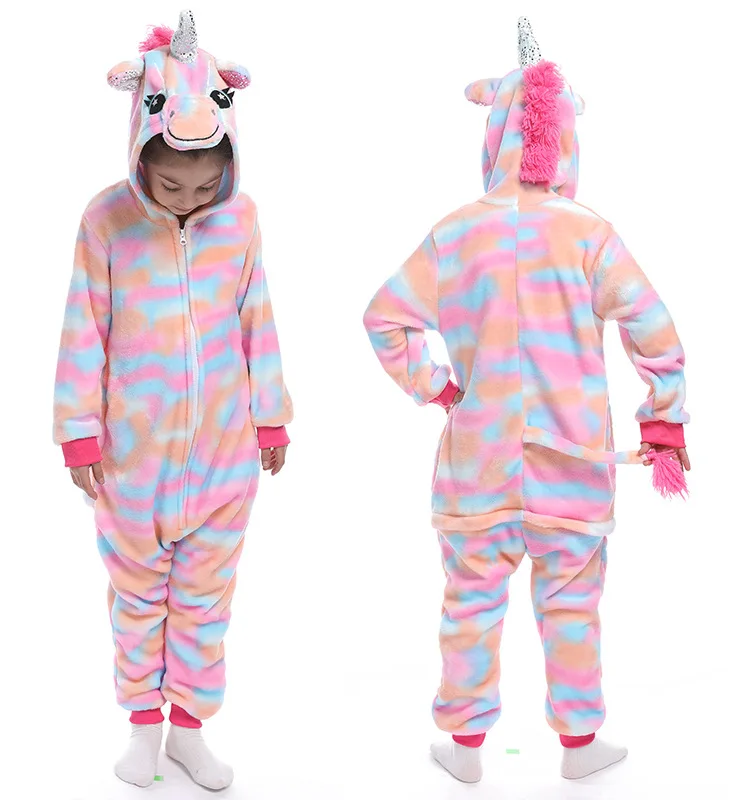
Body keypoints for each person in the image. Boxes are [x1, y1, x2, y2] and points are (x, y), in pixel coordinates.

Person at [362, 17, 689, 783]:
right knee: (572, 609)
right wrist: (663, 418)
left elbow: (385, 318)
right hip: (571, 466)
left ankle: (464, 749)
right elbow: (653, 327)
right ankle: (580, 746)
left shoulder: (455, 235)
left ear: (494, 134)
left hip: (476, 468)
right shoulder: (588, 234)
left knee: (470, 607)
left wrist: (438, 386)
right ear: (566, 135)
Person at [52, 11, 292, 790]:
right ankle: (141, 729)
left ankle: (188, 730)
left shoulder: (241, 220)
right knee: (137, 601)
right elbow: (83, 327)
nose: (189, 200)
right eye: (171, 186)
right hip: (133, 461)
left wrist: (271, 416)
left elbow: (257, 318)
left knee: (204, 603)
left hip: (223, 456)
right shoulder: (107, 221)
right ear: (139, 157)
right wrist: (78, 432)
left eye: (205, 185)